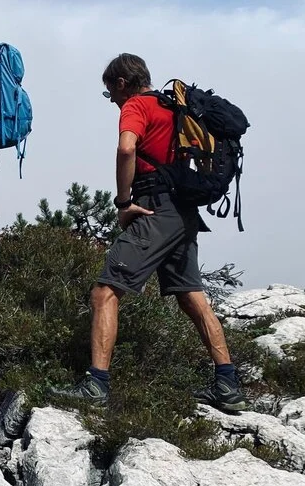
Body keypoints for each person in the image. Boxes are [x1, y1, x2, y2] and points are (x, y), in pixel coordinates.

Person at [54, 53, 248, 412]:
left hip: (154, 208)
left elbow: (127, 148)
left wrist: (123, 203)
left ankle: (96, 385)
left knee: (105, 291)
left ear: (121, 83)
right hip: (184, 212)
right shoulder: (174, 107)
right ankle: (227, 383)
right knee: (192, 297)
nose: (111, 99)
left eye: (109, 91)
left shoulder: (136, 107)